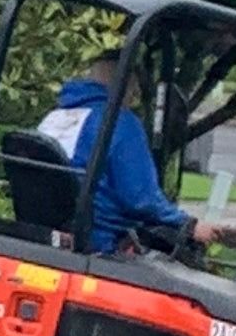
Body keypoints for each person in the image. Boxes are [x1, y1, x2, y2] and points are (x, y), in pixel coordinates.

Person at [38, 49, 202, 259]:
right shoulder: (120, 123)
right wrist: (187, 225)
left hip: (45, 233)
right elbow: (141, 199)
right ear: (129, 86)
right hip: (99, 243)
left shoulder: (53, 118)